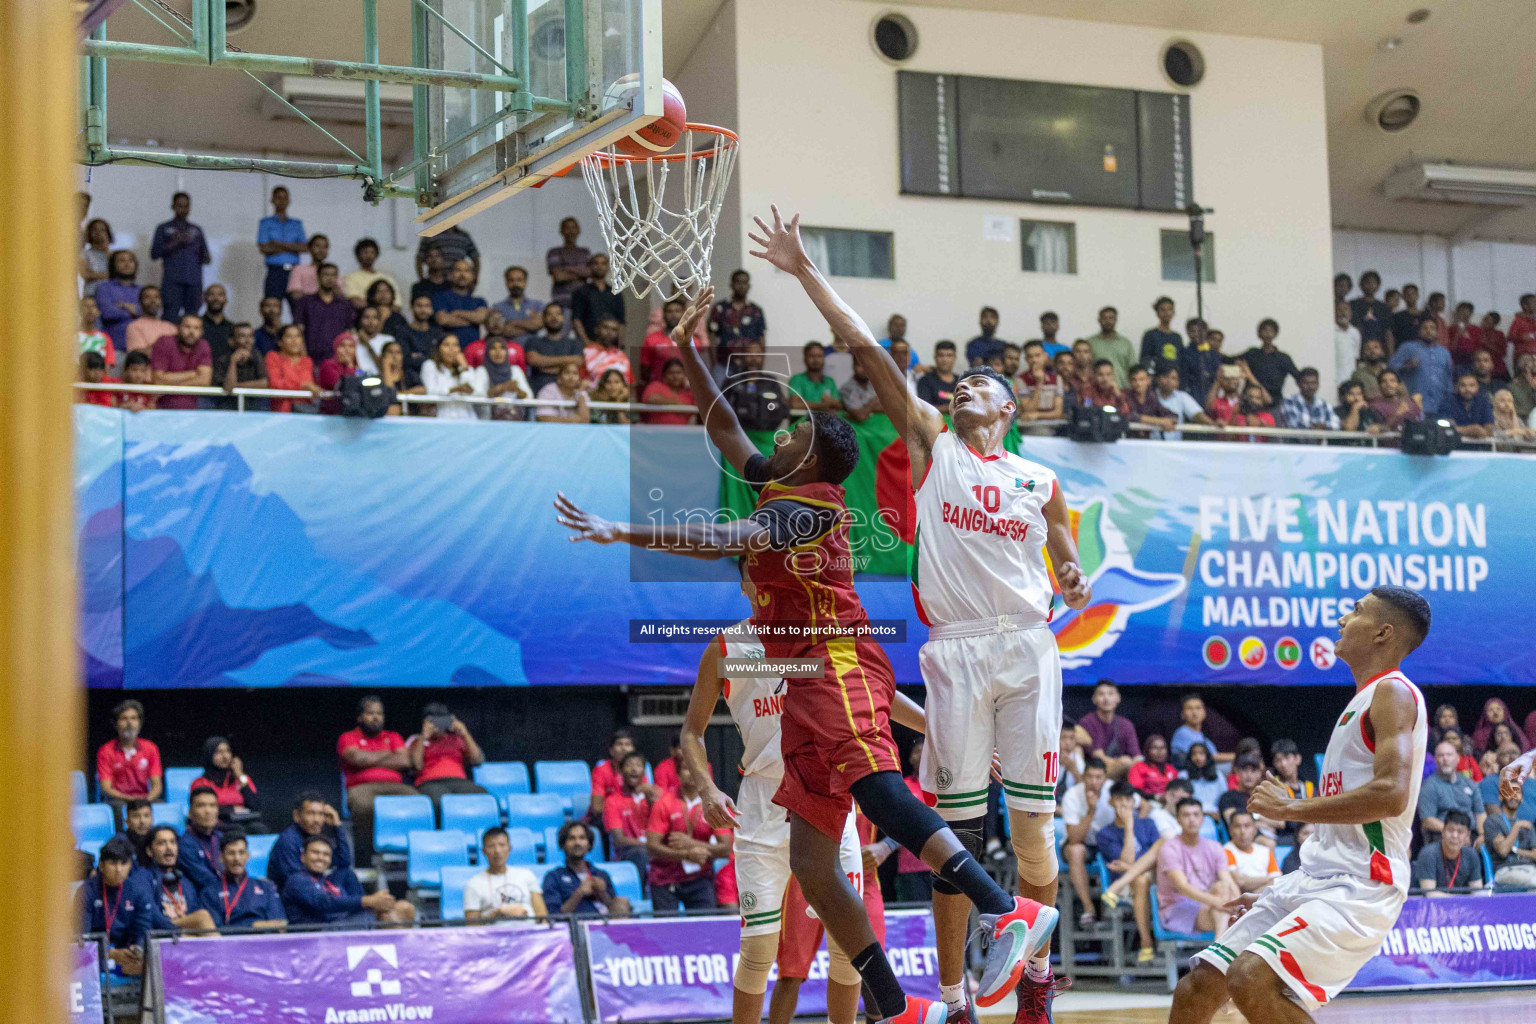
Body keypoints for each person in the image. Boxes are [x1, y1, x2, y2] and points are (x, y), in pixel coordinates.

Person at [557, 267, 1045, 1024]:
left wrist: (623, 529)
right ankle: (896, 1005)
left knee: (877, 789)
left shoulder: (810, 507)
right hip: (804, 687)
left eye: (792, 433)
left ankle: (999, 905)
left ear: (814, 461)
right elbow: (722, 427)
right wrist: (688, 348)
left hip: (840, 662)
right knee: (814, 868)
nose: (777, 436)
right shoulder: (780, 483)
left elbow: (728, 538)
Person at [759, 208, 1084, 1019]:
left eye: (983, 384)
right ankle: (953, 996)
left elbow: (1062, 551)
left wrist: (1071, 572)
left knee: (1038, 838)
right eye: (959, 382)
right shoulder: (935, 439)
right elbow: (865, 343)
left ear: (1008, 409)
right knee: (956, 833)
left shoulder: (1040, 482)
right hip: (955, 651)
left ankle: (1036, 980)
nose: (963, 387)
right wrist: (804, 272)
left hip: (1029, 646)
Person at [1174, 588, 1433, 1024]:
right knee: (1198, 986)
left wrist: (1291, 807)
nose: (1342, 618)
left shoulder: (1393, 693)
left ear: (1383, 633)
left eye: (1356, 611)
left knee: (1250, 977)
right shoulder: (1362, 700)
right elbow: (1342, 830)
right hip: (1317, 878)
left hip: (1362, 884)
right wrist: (1283, 890)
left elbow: (1392, 794)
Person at [679, 582, 922, 1024]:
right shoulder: (726, 646)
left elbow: (877, 693)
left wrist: (934, 727)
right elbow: (691, 732)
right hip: (760, 802)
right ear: (746, 584)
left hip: (825, 796)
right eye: (757, 574)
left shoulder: (824, 634)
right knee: (757, 949)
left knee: (847, 944)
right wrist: (707, 787)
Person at [337, 697, 418, 866]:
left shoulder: (393, 736)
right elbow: (357, 759)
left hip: (395, 787)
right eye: (370, 713)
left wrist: (368, 757)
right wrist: (389, 755)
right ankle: (368, 856)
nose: (376, 717)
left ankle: (412, 855)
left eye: (379, 714)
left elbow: (404, 761)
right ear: (360, 717)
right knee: (364, 806)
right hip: (362, 788)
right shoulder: (348, 737)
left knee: (418, 801)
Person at [645, 759, 731, 912]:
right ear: (678, 774)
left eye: (698, 770)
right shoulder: (663, 803)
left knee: (706, 932)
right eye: (686, 768)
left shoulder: (716, 806)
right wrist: (686, 854)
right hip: (664, 879)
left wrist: (692, 844)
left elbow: (725, 849)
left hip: (700, 877)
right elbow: (652, 847)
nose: (692, 773)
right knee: (666, 933)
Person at [282, 834, 414, 925]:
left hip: (343, 926)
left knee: (404, 908)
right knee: (387, 918)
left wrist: (375, 903)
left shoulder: (330, 880)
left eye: (326, 854)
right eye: (315, 853)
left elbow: (345, 863)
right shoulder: (296, 881)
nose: (321, 858)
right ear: (303, 857)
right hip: (318, 934)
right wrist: (368, 900)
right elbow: (324, 903)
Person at [1097, 780, 1161, 963]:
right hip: (1128, 886)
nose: (1124, 804)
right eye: (1119, 799)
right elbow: (1126, 862)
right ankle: (1146, 943)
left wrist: (1129, 868)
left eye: (1128, 799)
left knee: (1163, 844)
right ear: (1111, 802)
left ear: (1135, 802)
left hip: (1156, 878)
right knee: (1140, 880)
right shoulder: (1105, 833)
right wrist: (1129, 826)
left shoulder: (1148, 824)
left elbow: (1158, 858)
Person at [1158, 796, 1239, 938]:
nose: (1192, 819)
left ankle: (1216, 950)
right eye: (1186, 815)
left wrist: (1238, 905)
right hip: (1178, 908)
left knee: (1222, 887)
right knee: (1221, 911)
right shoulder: (1169, 848)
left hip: (1208, 904)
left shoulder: (1214, 847)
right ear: (1178, 820)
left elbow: (1227, 880)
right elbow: (1183, 887)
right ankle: (1219, 951)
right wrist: (1220, 903)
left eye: (1196, 815)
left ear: (1203, 819)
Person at [78, 838, 152, 973]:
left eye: (124, 863)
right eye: (113, 863)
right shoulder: (87, 891)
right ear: (101, 865)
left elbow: (143, 929)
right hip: (94, 955)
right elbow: (83, 937)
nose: (118, 869)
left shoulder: (138, 891)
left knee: (151, 964)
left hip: (127, 953)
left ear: (130, 865)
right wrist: (109, 953)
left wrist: (137, 949)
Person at [1061, 758, 1115, 929]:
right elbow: (1075, 838)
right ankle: (1088, 907)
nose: (1094, 782)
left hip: (1108, 842)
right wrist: (1091, 811)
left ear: (1105, 778)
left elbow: (1142, 805)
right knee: (1075, 850)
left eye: (1098, 777)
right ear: (1083, 777)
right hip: (1083, 843)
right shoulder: (1072, 796)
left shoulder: (1114, 791)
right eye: (1090, 777)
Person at [407, 702, 488, 812]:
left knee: (484, 797)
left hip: (458, 781)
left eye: (442, 721)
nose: (438, 726)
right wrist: (424, 736)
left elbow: (478, 760)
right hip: (430, 783)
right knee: (441, 802)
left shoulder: (457, 739)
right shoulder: (416, 740)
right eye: (434, 722)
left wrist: (465, 733)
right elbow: (416, 765)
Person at [542, 820, 632, 917]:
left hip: (605, 927)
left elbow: (615, 912)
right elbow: (554, 916)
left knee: (622, 902)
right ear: (563, 844)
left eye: (582, 838)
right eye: (572, 838)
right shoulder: (554, 877)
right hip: (574, 929)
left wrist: (603, 893)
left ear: (589, 845)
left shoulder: (601, 875)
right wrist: (579, 893)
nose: (577, 842)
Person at [201, 829, 286, 929]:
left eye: (241, 853)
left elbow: (280, 924)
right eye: (231, 853)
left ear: (247, 856)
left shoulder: (266, 887)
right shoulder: (210, 891)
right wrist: (254, 926)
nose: (237, 858)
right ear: (221, 857)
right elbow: (215, 932)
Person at [267, 791, 352, 890]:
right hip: (293, 898)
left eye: (321, 814)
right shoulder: (288, 841)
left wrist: (337, 825)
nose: (317, 820)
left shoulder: (318, 838)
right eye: (311, 813)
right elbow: (295, 882)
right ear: (297, 816)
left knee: (347, 875)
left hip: (315, 890)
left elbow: (344, 863)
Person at [142, 826, 217, 933]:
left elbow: (193, 910)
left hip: (184, 935)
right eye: (161, 843)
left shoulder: (185, 882)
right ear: (149, 851)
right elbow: (151, 916)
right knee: (202, 917)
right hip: (161, 933)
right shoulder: (143, 878)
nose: (169, 848)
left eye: (173, 842)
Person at [464, 826, 548, 921]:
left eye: (502, 845)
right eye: (491, 846)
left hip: (528, 933)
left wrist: (525, 914)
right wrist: (496, 916)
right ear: (483, 851)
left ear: (509, 848)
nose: (497, 851)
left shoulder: (526, 875)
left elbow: (542, 917)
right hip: (492, 934)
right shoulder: (474, 884)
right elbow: (472, 926)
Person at [97, 700, 163, 820]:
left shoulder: (150, 748)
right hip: (119, 800)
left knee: (161, 807)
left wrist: (146, 799)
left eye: (133, 718)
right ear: (116, 724)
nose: (129, 723)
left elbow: (157, 785)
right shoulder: (106, 751)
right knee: (117, 808)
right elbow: (106, 788)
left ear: (139, 723)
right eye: (124, 719)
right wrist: (131, 800)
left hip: (143, 798)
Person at [150, 191, 210, 320]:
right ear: (173, 206)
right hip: (172, 282)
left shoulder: (196, 230)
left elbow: (207, 258)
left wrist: (196, 249)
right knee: (170, 317)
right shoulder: (163, 228)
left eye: (186, 206)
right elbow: (154, 254)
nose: (183, 209)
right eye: (180, 205)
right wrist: (175, 242)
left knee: (192, 318)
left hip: (193, 282)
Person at [601, 751, 657, 879]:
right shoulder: (612, 801)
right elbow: (619, 840)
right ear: (620, 771)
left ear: (644, 772)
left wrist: (652, 802)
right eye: (629, 765)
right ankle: (642, 895)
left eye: (638, 765)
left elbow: (663, 830)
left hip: (653, 849)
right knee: (641, 853)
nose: (633, 769)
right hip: (627, 853)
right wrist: (652, 846)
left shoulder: (653, 799)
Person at [1417, 738, 1484, 843]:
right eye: (1441, 755)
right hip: (1442, 838)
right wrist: (1457, 834)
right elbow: (1427, 820)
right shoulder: (1428, 786)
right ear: (1435, 760)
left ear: (1457, 759)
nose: (1445, 759)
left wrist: (1482, 835)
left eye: (1449, 755)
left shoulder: (1470, 784)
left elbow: (1480, 813)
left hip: (1471, 836)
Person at [189, 735, 262, 829]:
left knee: (259, 828)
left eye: (227, 751)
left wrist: (240, 775)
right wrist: (232, 809)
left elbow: (255, 805)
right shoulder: (200, 783)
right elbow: (202, 809)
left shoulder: (241, 779)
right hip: (216, 823)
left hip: (242, 820)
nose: (225, 756)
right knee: (236, 829)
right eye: (218, 752)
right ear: (209, 755)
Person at [1388, 317, 1454, 419]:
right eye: (1425, 328)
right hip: (1414, 403)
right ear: (1419, 332)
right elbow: (1391, 367)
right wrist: (1407, 366)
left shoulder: (1444, 352)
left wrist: (1449, 399)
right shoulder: (1408, 347)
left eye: (1432, 328)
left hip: (1440, 404)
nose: (1428, 331)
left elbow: (1448, 378)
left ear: (1437, 332)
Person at [292, 263, 354, 363]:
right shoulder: (305, 302)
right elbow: (299, 330)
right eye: (326, 275)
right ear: (318, 277)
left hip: (337, 360)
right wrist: (304, 357)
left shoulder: (345, 304)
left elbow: (348, 332)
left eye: (333, 275)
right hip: (312, 357)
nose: (330, 278)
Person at [149, 314, 212, 411]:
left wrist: (168, 385)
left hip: (192, 410)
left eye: (196, 328)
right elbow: (158, 380)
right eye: (187, 327)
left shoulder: (203, 345)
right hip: (162, 409)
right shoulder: (164, 342)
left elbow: (204, 381)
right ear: (178, 328)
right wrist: (192, 374)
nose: (191, 332)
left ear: (201, 332)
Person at [1078, 681, 1140, 780]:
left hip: (1122, 774)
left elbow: (1137, 758)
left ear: (1118, 698)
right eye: (1101, 694)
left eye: (1110, 694)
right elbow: (1098, 756)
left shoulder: (1126, 724)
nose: (1106, 698)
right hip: (1094, 772)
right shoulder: (1087, 722)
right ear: (1094, 699)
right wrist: (1121, 763)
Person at [1412, 809, 1483, 896]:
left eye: (1460, 832)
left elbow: (1477, 892)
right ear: (1443, 832)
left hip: (1460, 907)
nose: (1455, 835)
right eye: (1450, 830)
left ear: (1467, 835)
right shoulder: (1428, 853)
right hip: (1429, 907)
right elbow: (1430, 894)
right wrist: (1461, 901)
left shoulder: (1471, 855)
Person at [421, 335, 490, 421]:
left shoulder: (466, 369)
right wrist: (452, 390)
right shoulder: (430, 365)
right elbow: (430, 390)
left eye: (455, 345)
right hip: (442, 417)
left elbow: (477, 392)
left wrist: (464, 367)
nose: (452, 349)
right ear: (438, 349)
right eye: (446, 345)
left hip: (467, 418)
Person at [1235, 319, 1299, 409]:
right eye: (1265, 330)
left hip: (1273, 403)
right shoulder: (1252, 353)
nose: (1268, 334)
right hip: (1249, 402)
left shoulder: (1283, 358)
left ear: (1276, 334)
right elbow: (1230, 360)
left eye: (1271, 331)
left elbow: (1299, 377)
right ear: (1259, 334)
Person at [257, 186, 307, 300]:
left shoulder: (296, 224)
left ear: (289, 201)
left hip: (295, 272)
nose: (282, 201)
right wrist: (293, 248)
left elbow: (304, 247)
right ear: (272, 200)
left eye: (284, 198)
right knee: (272, 307)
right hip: (275, 271)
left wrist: (277, 244)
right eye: (278, 197)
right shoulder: (265, 223)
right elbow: (264, 248)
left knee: (298, 310)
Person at [708, 269, 767, 366]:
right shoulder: (719, 308)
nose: (741, 286)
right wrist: (714, 364)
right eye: (738, 282)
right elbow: (712, 338)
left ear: (749, 286)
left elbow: (761, 340)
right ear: (731, 284)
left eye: (745, 282)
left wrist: (760, 365)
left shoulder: (756, 310)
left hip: (749, 366)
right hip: (723, 364)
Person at [1484, 786, 1536, 891]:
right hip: (1504, 870)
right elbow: (1503, 850)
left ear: (1522, 799)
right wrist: (1516, 826)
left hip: (1529, 868)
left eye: (1518, 793)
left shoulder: (1528, 825)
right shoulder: (1492, 821)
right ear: (1500, 796)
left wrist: (1515, 850)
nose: (1514, 796)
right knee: (1533, 882)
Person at [524, 302, 584, 395]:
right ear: (543, 318)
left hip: (568, 393)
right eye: (550, 314)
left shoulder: (574, 343)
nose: (554, 317)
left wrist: (544, 365)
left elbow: (578, 361)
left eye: (558, 314)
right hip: (538, 391)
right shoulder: (533, 341)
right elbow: (533, 360)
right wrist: (565, 364)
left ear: (563, 318)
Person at [264, 324, 321, 413]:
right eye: (289, 336)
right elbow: (275, 384)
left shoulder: (307, 361)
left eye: (297, 336)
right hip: (281, 414)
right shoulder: (273, 357)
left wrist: (304, 385)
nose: (294, 341)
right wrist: (303, 385)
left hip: (306, 412)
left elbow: (309, 384)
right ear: (280, 342)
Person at [177, 789, 226, 892]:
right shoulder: (184, 844)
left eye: (212, 805)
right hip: (202, 898)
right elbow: (205, 879)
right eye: (201, 806)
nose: (208, 811)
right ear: (190, 813)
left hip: (227, 893)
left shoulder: (222, 838)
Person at [433, 258, 489, 347]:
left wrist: (456, 313)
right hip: (447, 352)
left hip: (472, 352)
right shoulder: (440, 297)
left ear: (472, 276)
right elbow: (443, 320)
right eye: (458, 270)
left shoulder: (479, 301)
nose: (462, 275)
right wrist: (472, 321)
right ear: (450, 275)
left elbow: (481, 318)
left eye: (467, 271)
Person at [570, 253, 625, 345]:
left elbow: (621, 321)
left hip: (611, 346)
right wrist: (586, 342)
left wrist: (620, 342)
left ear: (608, 267)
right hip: (588, 343)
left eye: (603, 263)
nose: (599, 266)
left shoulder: (615, 293)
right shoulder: (581, 292)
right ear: (590, 266)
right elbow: (576, 319)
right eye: (596, 263)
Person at [97, 251, 145, 354]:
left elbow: (149, 312)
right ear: (113, 265)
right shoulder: (104, 287)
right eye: (122, 260)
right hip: (114, 347)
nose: (127, 264)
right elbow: (108, 313)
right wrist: (135, 311)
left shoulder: (142, 290)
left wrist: (123, 306)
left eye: (130, 260)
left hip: (141, 347)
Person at [1222, 811, 1280, 893]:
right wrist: (1268, 879)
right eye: (1237, 826)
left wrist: (1254, 894)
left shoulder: (1265, 851)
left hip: (1264, 897)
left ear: (1255, 829)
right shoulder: (1226, 851)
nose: (1243, 831)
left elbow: (1277, 880)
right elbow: (1239, 882)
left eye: (1247, 826)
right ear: (1230, 830)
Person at [545, 217, 591, 310]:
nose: (570, 231)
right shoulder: (554, 252)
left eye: (573, 227)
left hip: (584, 301)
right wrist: (580, 273)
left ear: (578, 230)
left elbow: (589, 273)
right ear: (561, 231)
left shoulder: (585, 252)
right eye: (567, 228)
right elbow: (559, 277)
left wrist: (568, 269)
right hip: (562, 302)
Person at [343, 238, 399, 312]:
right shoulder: (351, 278)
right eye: (365, 252)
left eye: (372, 252)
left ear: (376, 255)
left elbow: (397, 306)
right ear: (358, 255)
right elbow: (355, 302)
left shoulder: (387, 278)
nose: (369, 256)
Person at [216, 323, 268, 402]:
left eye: (250, 336)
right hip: (229, 406)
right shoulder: (224, 359)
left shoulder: (256, 355)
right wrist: (233, 362)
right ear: (231, 341)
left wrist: (237, 386)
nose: (248, 341)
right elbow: (229, 388)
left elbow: (265, 383)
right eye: (242, 336)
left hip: (253, 405)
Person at [1086, 306, 1135, 387]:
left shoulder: (1126, 343)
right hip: (1098, 392)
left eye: (1111, 318)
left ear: (1116, 320)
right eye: (1104, 318)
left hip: (1123, 389)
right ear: (1099, 320)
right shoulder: (1090, 343)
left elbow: (1132, 368)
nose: (1108, 321)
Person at [1016, 340, 1064, 422]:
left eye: (1038, 355)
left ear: (1045, 356)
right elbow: (1028, 410)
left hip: (1054, 425)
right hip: (1031, 426)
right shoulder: (1021, 379)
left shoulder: (1056, 378)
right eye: (1030, 357)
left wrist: (1038, 415)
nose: (1034, 360)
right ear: (1026, 359)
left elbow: (1058, 412)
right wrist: (1039, 383)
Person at [1438, 371, 1495, 438]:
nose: (1467, 389)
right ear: (1456, 387)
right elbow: (1447, 428)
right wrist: (1472, 429)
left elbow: (1489, 430)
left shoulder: (1483, 401)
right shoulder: (1448, 401)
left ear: (1477, 387)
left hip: (1480, 446)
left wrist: (1461, 430)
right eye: (1463, 385)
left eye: (1471, 385)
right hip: (1455, 445)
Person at [788, 341, 842, 412]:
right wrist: (823, 405)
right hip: (802, 422)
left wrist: (833, 404)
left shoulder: (830, 381)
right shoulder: (797, 379)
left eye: (819, 356)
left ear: (824, 358)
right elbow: (795, 404)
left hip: (825, 422)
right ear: (805, 358)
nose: (816, 360)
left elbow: (838, 406)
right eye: (811, 356)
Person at [641, 358, 696, 425]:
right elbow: (651, 399)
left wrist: (692, 386)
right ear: (664, 376)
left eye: (678, 373)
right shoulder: (656, 386)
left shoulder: (689, 392)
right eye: (671, 373)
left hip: (683, 432)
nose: (675, 376)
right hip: (657, 431)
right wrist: (676, 404)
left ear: (684, 375)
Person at [1124, 364, 1178, 431]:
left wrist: (1169, 420)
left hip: (1147, 440)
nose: (1138, 383)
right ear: (1129, 381)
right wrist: (1160, 421)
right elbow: (1130, 416)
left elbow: (1167, 413)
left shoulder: (1151, 396)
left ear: (1148, 380)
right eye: (1134, 380)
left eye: (1141, 379)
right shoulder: (1125, 396)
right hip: (1127, 439)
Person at [1349, 270, 1393, 349]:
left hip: (1379, 350)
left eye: (1373, 283)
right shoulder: (1352, 305)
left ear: (1378, 286)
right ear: (1361, 285)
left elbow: (1388, 332)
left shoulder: (1384, 307)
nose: (1370, 285)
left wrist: (1390, 354)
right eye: (1367, 282)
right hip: (1358, 347)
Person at [317, 333, 360, 414]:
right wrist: (349, 366)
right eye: (342, 346)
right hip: (331, 415)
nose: (347, 350)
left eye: (351, 346)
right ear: (336, 348)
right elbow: (344, 387)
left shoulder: (357, 366)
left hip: (351, 413)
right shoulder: (327, 365)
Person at [583, 317, 632, 387]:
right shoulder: (585, 352)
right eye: (605, 328)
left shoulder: (622, 356)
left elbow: (630, 386)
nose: (610, 332)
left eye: (614, 330)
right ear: (596, 330)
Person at [1140, 296, 1183, 373]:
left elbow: (1180, 362)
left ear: (1173, 312)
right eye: (1163, 310)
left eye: (1169, 309)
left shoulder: (1177, 337)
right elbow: (1145, 361)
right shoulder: (1150, 335)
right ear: (1157, 313)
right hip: (1157, 380)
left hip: (1174, 381)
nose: (1166, 313)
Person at [1181, 743, 1225, 818]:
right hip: (1192, 815)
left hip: (1215, 815)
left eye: (1201, 753)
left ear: (1207, 756)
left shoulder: (1218, 775)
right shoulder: (1183, 776)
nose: (1197, 757)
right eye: (1194, 754)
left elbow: (1223, 798)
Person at [285, 234, 330, 306]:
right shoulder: (298, 269)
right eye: (317, 246)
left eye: (325, 247)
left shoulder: (331, 271)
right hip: (307, 310)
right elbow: (296, 295)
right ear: (310, 248)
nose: (321, 250)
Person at [915, 340, 959, 414]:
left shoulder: (962, 381)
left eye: (949, 355)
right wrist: (953, 407)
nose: (945, 359)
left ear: (954, 357)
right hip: (935, 424)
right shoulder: (925, 381)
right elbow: (925, 409)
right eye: (941, 355)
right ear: (935, 357)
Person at [1129, 734, 1177, 799]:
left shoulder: (1171, 769)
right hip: (1148, 802)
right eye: (1154, 748)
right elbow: (1134, 790)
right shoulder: (1138, 768)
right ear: (1147, 750)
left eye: (1162, 748)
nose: (1159, 752)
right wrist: (1155, 797)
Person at [199, 283, 234, 368]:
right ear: (204, 299)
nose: (216, 298)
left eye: (220, 295)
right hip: (200, 374)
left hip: (225, 376)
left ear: (226, 300)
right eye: (211, 294)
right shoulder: (196, 326)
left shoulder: (233, 328)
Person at [80, 217, 115, 299]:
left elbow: (117, 274)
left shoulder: (112, 254)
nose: (98, 233)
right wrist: (106, 275)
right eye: (95, 229)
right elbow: (86, 275)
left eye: (102, 230)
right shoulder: (84, 254)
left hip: (111, 294)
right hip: (92, 293)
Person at [1333, 300, 1362, 391]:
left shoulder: (1355, 332)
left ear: (1350, 313)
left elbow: (1356, 358)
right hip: (1334, 380)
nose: (1343, 313)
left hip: (1350, 380)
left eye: (1345, 310)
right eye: (1339, 310)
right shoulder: (1330, 331)